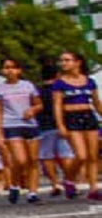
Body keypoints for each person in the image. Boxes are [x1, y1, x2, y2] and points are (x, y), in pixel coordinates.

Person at [0, 58, 41, 204]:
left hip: (30, 124)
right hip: (11, 124)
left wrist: (33, 109)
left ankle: (33, 192)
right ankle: (14, 184)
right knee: (20, 159)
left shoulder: (28, 86)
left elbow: (39, 104)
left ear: (19, 70)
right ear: (2, 71)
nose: (10, 70)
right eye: (6, 68)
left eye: (13, 67)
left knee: (33, 160)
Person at [53, 50, 102, 202]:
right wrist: (60, 125)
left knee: (93, 156)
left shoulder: (89, 81)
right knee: (81, 155)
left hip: (88, 116)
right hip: (71, 118)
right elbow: (57, 106)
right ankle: (68, 179)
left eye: (67, 60)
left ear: (77, 62)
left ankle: (93, 188)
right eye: (62, 60)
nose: (64, 63)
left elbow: (96, 102)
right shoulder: (59, 83)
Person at [34, 60, 73, 198]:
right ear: (57, 74)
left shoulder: (37, 91)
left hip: (44, 126)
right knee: (66, 155)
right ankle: (69, 181)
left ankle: (55, 183)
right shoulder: (61, 88)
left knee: (46, 156)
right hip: (63, 124)